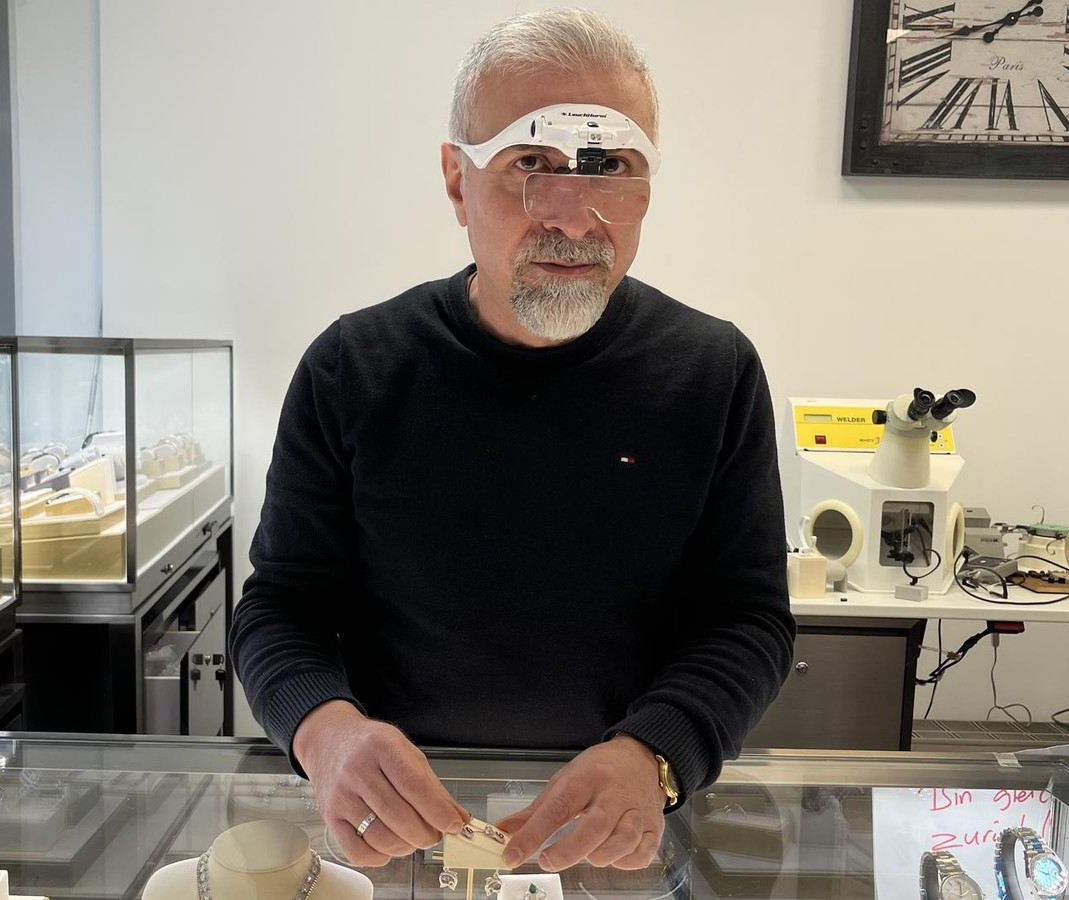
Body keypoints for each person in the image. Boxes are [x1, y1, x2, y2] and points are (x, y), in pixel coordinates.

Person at [229, 8, 795, 874]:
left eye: (610, 166)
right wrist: (326, 732)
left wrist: (655, 754)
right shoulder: (353, 367)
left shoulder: (712, 373)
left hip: (623, 831)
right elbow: (280, 606)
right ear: (457, 182)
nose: (573, 218)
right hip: (399, 829)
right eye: (530, 164)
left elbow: (746, 619)